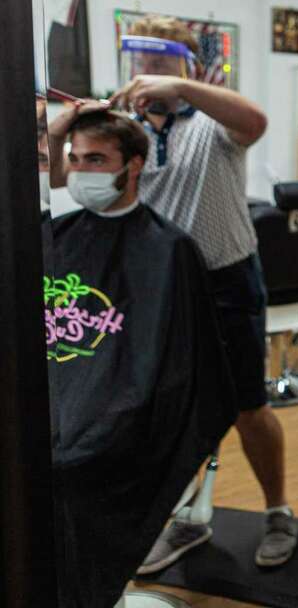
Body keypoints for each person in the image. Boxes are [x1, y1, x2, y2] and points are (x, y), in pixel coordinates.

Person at [47, 14, 296, 571]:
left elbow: (256, 120)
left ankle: (278, 510)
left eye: (164, 62)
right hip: (156, 288)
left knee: (247, 406)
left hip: (226, 280)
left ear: (188, 66)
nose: (150, 72)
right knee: (169, 410)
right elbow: (60, 177)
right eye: (144, 61)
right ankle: (187, 518)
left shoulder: (212, 125)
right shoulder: (123, 131)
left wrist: (183, 90)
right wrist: (66, 126)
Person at [46, 110, 237, 607]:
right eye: (75, 158)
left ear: (133, 166)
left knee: (69, 466)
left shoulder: (170, 252)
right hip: (65, 398)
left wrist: (104, 414)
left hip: (126, 415)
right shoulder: (52, 238)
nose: (81, 170)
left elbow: (184, 372)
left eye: (96, 159)